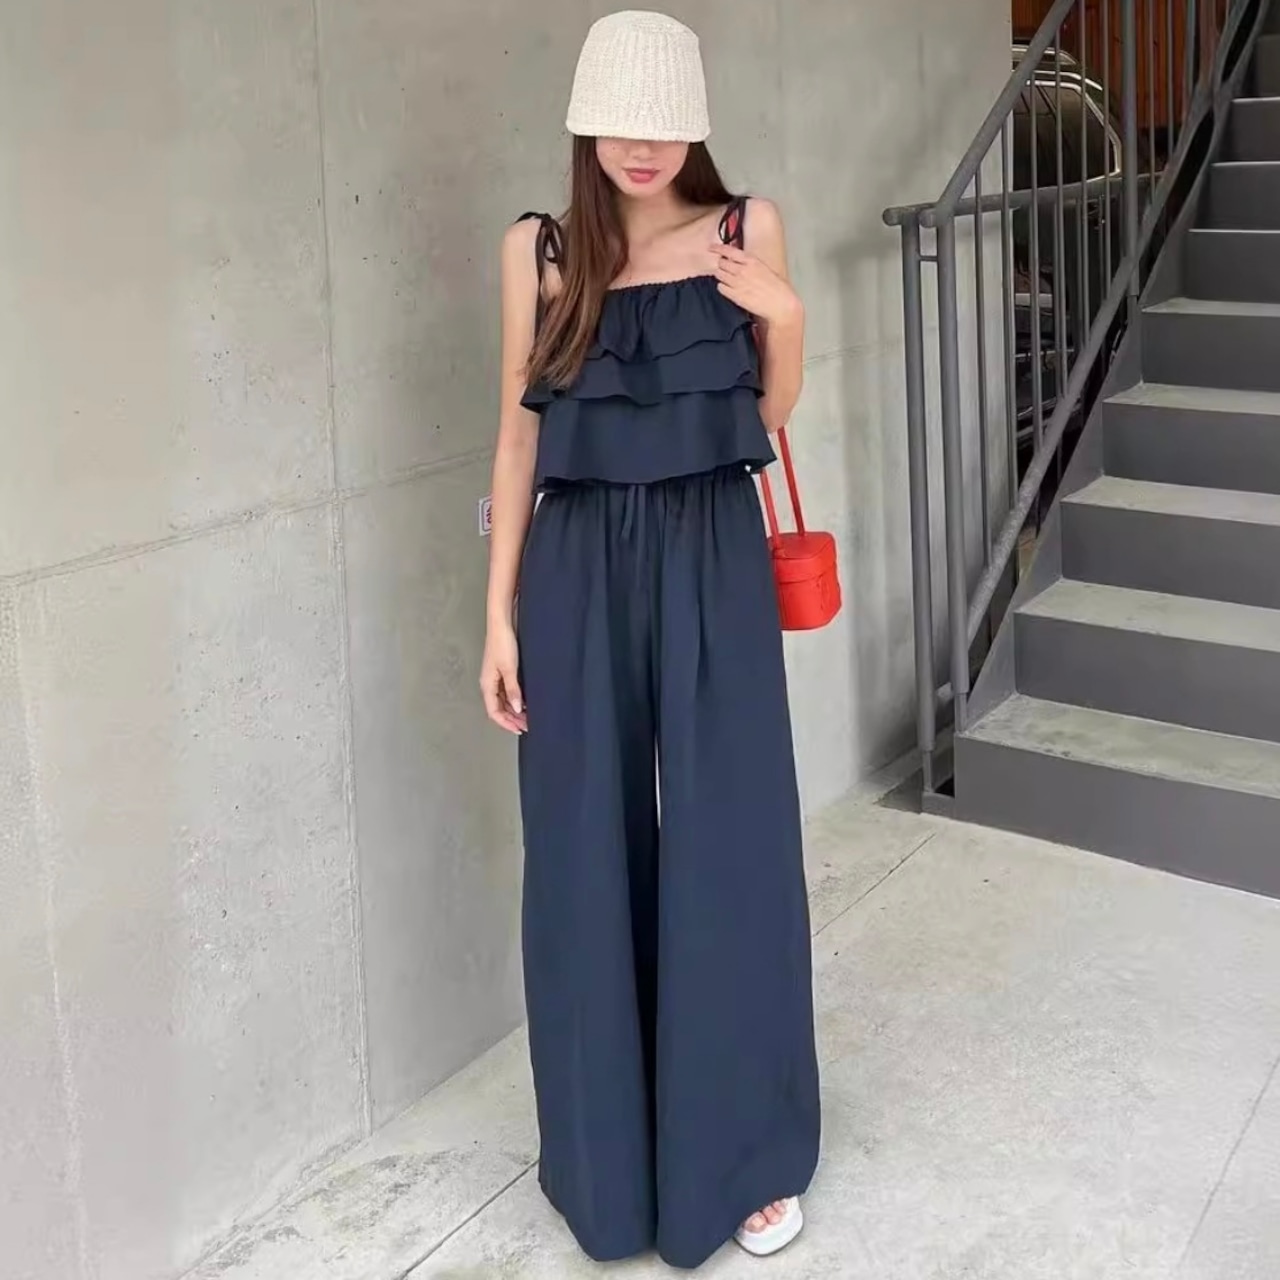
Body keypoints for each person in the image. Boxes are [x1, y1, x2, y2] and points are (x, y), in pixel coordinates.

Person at [480, 10, 820, 1269]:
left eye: (665, 121)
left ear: (694, 125)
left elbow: (767, 411)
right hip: (573, 563)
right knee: (580, 850)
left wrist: (785, 315)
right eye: (621, 120)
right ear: (585, 122)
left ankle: (740, 1155)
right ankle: (604, 1160)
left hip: (712, 549)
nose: (643, 144)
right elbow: (518, 436)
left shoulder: (742, 229)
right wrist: (495, 614)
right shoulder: (539, 250)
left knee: (732, 836)